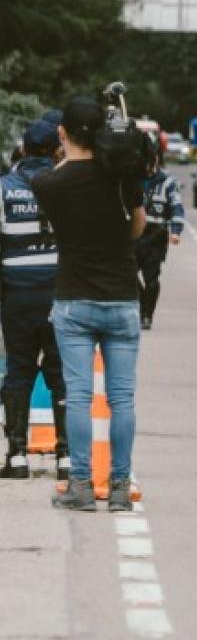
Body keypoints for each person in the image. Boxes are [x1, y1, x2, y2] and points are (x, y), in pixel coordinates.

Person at [32, 96, 146, 512]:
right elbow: (138, 228)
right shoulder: (122, 176)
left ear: (62, 134)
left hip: (74, 299)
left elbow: (57, 212)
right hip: (121, 298)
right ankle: (119, 488)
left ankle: (80, 486)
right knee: (122, 399)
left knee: (78, 397)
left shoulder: (48, 184)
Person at [0, 119, 67, 480]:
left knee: (19, 372)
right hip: (61, 294)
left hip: (18, 295)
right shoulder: (68, 184)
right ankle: (67, 457)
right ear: (56, 150)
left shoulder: (4, 188)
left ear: (23, 150)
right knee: (61, 372)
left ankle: (17, 456)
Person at [136, 148, 184, 330]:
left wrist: (176, 231)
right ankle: (141, 306)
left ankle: (147, 315)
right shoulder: (131, 178)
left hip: (155, 237)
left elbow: (177, 206)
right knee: (127, 276)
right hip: (133, 235)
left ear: (156, 160)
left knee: (151, 279)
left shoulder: (167, 182)